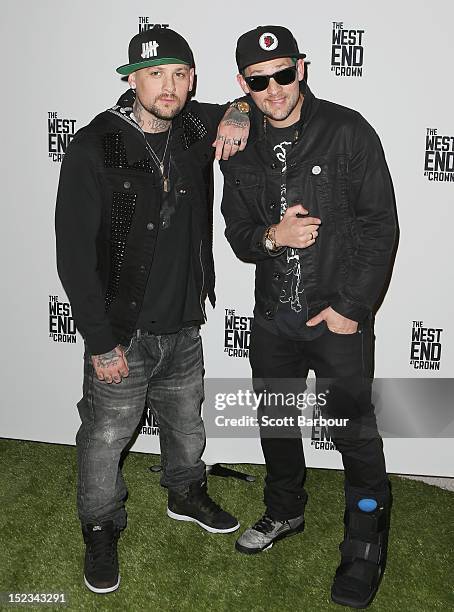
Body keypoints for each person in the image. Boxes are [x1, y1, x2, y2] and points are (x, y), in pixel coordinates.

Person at [55, 27, 250, 594]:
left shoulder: (192, 125)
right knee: (106, 435)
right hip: (122, 330)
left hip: (185, 322)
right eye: (156, 74)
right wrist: (99, 341)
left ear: (192, 80)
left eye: (180, 74)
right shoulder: (97, 145)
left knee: (187, 423)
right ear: (132, 79)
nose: (170, 86)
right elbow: (72, 254)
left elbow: (251, 105)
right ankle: (99, 524)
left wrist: (237, 112)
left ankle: (185, 492)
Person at [220, 25, 397, 608]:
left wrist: (351, 308)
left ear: (303, 68)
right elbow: (241, 235)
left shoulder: (348, 131)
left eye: (282, 74)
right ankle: (284, 510)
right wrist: (273, 235)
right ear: (243, 84)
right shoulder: (238, 145)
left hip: (336, 319)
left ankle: (366, 539)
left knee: (354, 432)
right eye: (257, 81)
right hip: (273, 319)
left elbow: (380, 226)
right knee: (275, 423)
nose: (273, 89)